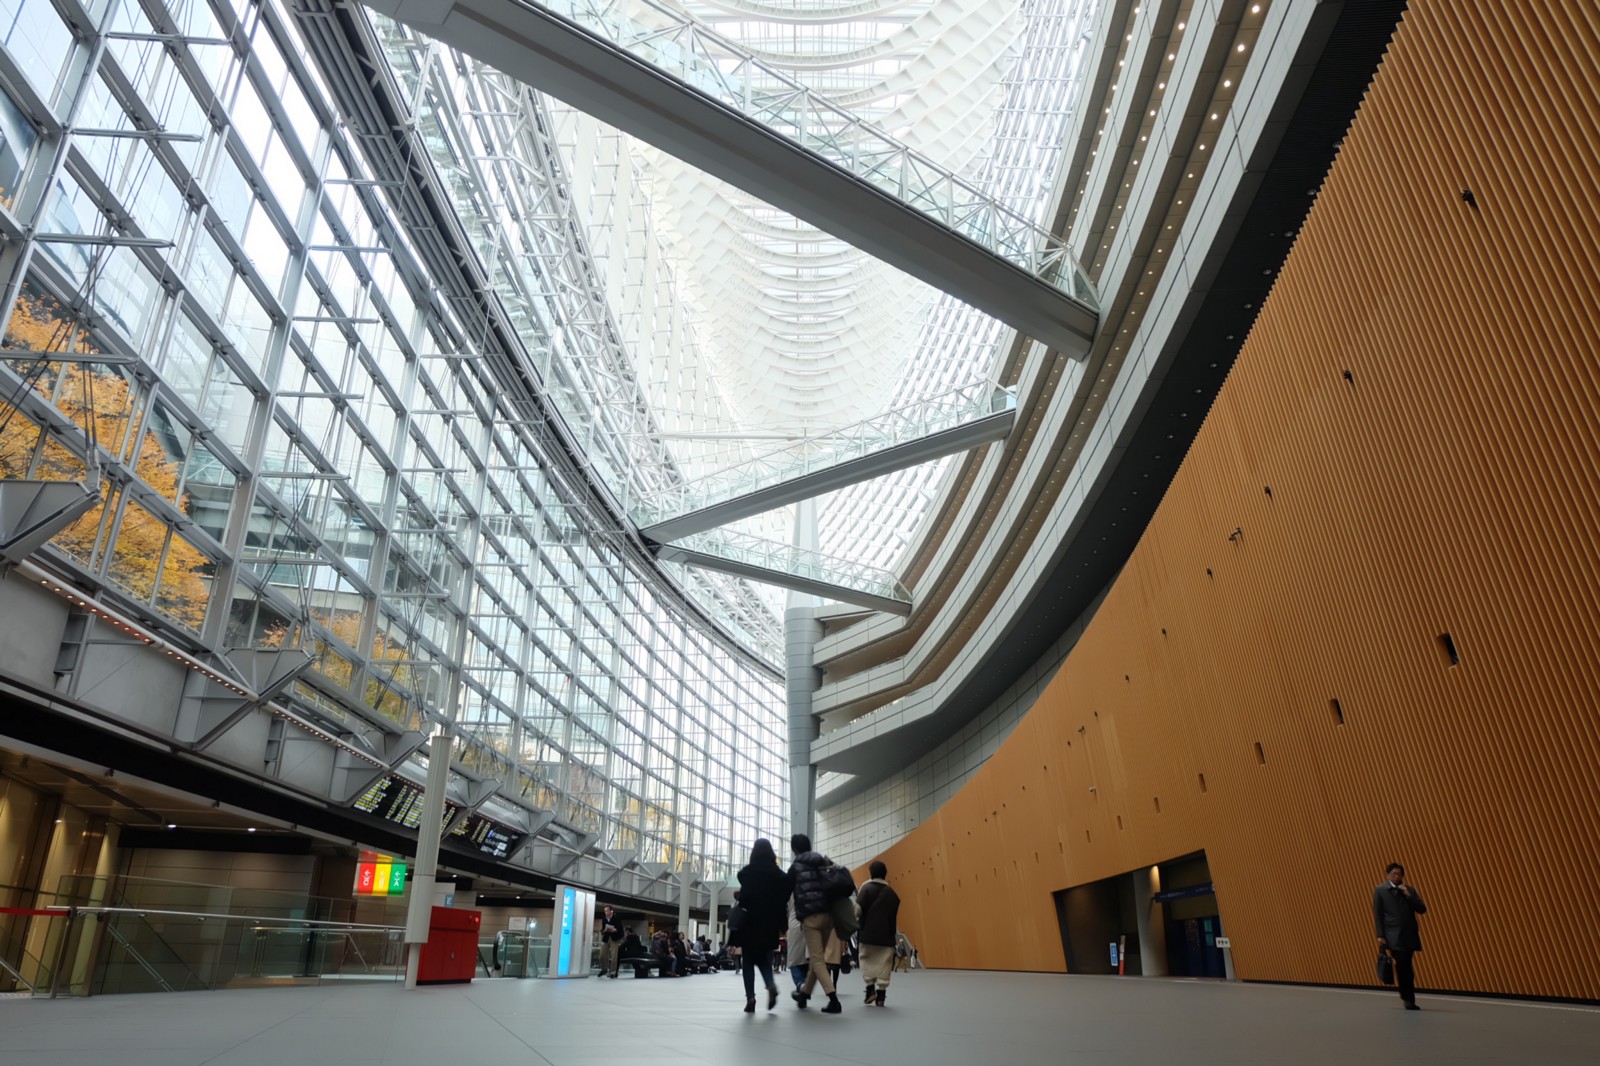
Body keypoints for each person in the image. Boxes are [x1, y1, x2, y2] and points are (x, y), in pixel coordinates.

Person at [786, 832, 843, 1013]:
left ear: (794, 849)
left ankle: (833, 1000)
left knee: (817, 961)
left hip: (811, 917)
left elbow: (785, 892)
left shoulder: (795, 867)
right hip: (828, 916)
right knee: (815, 960)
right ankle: (804, 994)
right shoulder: (822, 861)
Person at [735, 837, 791, 1012]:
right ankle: (770, 984)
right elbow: (782, 903)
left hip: (750, 923)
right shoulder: (779, 875)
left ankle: (750, 998)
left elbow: (743, 900)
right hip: (769, 924)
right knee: (765, 960)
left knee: (748, 961)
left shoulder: (747, 873)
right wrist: (783, 925)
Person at [1373, 862, 1428, 1010]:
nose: (1397, 877)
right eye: (1393, 874)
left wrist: (1408, 895)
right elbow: (1378, 914)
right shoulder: (1381, 890)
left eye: (1399, 874)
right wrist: (1380, 934)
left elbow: (1422, 909)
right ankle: (1408, 998)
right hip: (1393, 935)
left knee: (1407, 965)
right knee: (1403, 964)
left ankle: (1407, 996)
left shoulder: (1409, 889)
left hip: (1409, 933)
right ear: (1388, 875)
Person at [856, 860, 901, 1006]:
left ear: (871, 873)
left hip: (867, 934)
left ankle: (870, 990)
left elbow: (857, 911)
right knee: (884, 963)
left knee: (866, 960)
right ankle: (881, 995)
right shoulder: (892, 893)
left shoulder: (866, 888)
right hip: (886, 935)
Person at [597, 904, 624, 978]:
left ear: (611, 911)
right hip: (606, 938)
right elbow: (602, 928)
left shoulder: (616, 917)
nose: (606, 912)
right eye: (605, 911)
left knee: (614, 956)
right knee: (601, 956)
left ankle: (613, 972)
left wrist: (615, 930)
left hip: (614, 938)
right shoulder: (604, 918)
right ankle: (604, 969)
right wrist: (603, 930)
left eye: (607, 910)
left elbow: (619, 928)